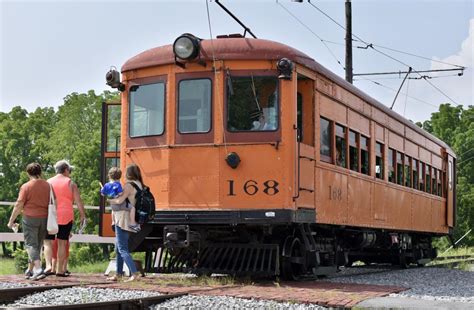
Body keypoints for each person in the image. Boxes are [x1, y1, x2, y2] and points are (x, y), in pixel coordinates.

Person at [7, 163, 49, 281]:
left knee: (30, 244)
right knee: (38, 245)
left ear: (27, 173)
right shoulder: (48, 186)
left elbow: (19, 204)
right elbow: (53, 201)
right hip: (45, 218)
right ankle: (30, 270)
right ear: (40, 172)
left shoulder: (26, 186)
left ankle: (38, 269)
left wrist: (11, 221)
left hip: (30, 218)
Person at [106, 163, 144, 282]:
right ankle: (118, 274)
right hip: (131, 217)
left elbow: (120, 200)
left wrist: (110, 199)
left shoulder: (128, 185)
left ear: (129, 173)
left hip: (122, 218)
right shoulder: (139, 184)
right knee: (119, 247)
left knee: (122, 248)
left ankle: (134, 273)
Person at [48, 160, 86, 277]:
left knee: (48, 243)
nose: (70, 172)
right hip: (66, 216)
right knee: (62, 243)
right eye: (69, 170)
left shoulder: (48, 182)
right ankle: (60, 270)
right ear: (65, 170)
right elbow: (78, 201)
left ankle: (49, 267)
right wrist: (82, 215)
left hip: (51, 216)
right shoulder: (71, 183)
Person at [101, 167, 140, 232]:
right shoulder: (118, 184)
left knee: (113, 210)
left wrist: (103, 190)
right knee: (132, 208)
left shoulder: (106, 185)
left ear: (109, 176)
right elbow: (120, 193)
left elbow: (103, 194)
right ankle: (132, 223)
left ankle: (113, 222)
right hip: (120, 204)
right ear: (119, 177)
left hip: (113, 205)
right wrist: (120, 194)